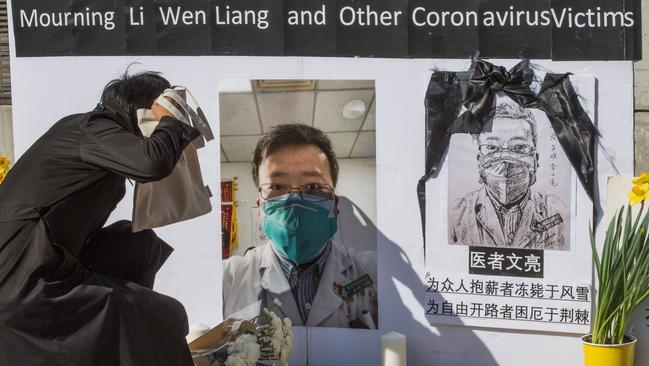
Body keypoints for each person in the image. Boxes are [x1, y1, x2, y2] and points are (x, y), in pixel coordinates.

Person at [0, 71, 200, 365]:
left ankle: (125, 326)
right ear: (146, 109)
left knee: (140, 243)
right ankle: (131, 320)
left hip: (42, 260)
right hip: (24, 277)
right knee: (168, 316)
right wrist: (171, 120)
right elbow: (152, 161)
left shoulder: (96, 137)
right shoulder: (91, 127)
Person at [222, 124, 378, 328]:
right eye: (277, 186)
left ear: (335, 205)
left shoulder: (375, 273)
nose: (294, 199)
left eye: (313, 186)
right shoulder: (228, 279)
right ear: (260, 208)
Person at [449, 102, 567, 250]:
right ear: (479, 161)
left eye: (519, 147)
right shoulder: (457, 215)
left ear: (535, 160)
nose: (505, 160)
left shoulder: (557, 211)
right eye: (492, 148)